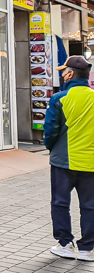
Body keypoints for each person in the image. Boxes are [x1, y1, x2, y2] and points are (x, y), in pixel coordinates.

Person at [44, 55, 94, 261]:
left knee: (60, 203)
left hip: (63, 161)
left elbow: (50, 131)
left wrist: (50, 147)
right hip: (90, 162)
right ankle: (87, 249)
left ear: (71, 74)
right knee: (90, 205)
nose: (62, 74)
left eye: (64, 71)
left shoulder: (59, 98)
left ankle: (65, 244)